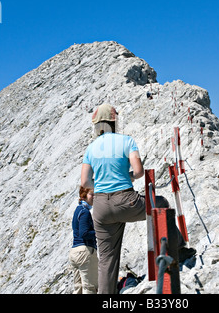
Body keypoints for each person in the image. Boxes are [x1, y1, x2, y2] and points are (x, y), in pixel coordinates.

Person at [81, 103, 195, 294]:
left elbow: (85, 181)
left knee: (107, 259)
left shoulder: (91, 148)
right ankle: (180, 248)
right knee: (161, 203)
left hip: (100, 206)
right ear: (114, 122)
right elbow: (139, 171)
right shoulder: (126, 141)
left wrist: (100, 184)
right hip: (126, 200)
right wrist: (128, 176)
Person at [69, 186, 98, 294]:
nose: (94, 197)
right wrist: (98, 232)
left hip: (74, 251)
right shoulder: (85, 212)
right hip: (85, 250)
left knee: (78, 288)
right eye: (92, 194)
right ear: (83, 195)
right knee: (89, 287)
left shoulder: (78, 210)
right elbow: (84, 233)